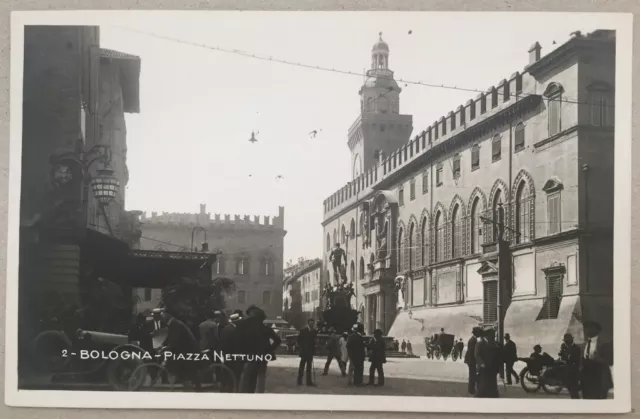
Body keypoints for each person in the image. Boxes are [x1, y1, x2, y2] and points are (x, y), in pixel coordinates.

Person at [239, 306, 281, 393]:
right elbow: (278, 340)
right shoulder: (266, 329)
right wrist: (270, 349)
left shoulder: (246, 328)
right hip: (263, 356)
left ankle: (245, 396)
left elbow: (240, 341)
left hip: (250, 357)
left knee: (246, 378)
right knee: (261, 378)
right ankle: (259, 397)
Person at [161, 310, 201, 391]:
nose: (162, 317)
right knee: (186, 367)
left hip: (189, 349)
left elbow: (175, 338)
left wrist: (167, 347)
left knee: (184, 365)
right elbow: (170, 337)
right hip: (186, 349)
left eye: (163, 315)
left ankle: (192, 386)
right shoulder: (173, 323)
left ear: (168, 315)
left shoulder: (175, 324)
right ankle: (187, 384)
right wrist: (163, 345)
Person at [580, 320, 613, 399]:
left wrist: (597, 359)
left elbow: (610, 361)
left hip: (599, 377)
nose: (587, 330)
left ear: (597, 330)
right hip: (586, 378)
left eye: (590, 328)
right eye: (586, 328)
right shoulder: (585, 344)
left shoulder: (604, 344)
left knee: (599, 401)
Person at [474, 328, 499, 398]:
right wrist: (481, 364)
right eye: (492, 336)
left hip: (492, 369)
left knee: (492, 385)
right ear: (487, 336)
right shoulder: (480, 343)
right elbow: (477, 355)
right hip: (483, 369)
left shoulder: (494, 344)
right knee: (483, 385)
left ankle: (493, 396)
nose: (493, 338)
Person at [558, 332, 581, 399]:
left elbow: (574, 360)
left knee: (573, 390)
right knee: (570, 389)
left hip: (573, 371)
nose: (566, 343)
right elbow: (562, 356)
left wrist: (565, 356)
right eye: (565, 341)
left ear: (571, 341)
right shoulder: (563, 346)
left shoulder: (576, 348)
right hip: (566, 370)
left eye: (567, 341)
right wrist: (562, 356)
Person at [297, 318, 317, 386]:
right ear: (308, 323)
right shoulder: (303, 330)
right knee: (301, 367)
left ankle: (309, 382)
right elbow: (298, 340)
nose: (312, 324)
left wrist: (313, 349)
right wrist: (303, 346)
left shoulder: (314, 331)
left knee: (309, 367)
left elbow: (314, 341)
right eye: (310, 323)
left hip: (310, 352)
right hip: (304, 351)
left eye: (313, 323)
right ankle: (299, 381)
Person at [465, 327, 481, 395]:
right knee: (472, 375)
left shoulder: (473, 339)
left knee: (472, 375)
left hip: (470, 360)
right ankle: (471, 390)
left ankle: (471, 389)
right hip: (471, 361)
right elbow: (473, 352)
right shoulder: (473, 341)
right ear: (476, 333)